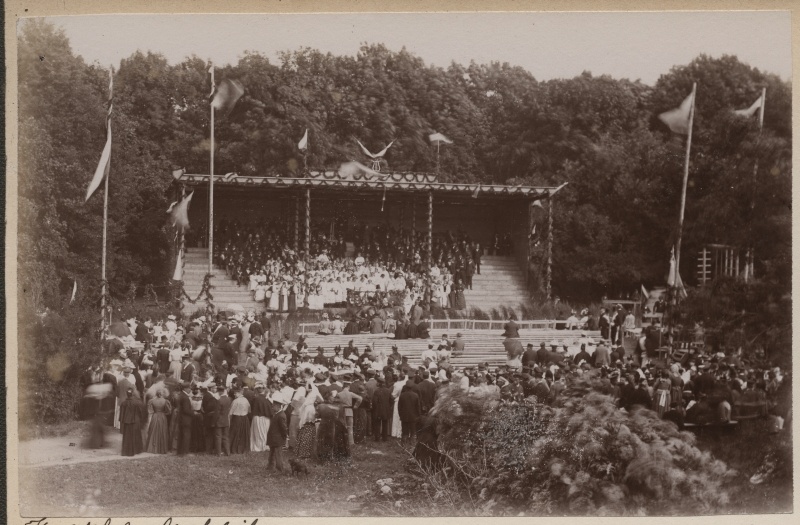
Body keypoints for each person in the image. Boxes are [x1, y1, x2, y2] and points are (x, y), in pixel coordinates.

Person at [317, 390, 350, 462]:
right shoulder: (336, 408)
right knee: (330, 440)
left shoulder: (320, 406)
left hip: (323, 424)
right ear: (330, 399)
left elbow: (317, 415)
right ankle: (329, 456)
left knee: (322, 439)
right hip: (331, 425)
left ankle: (321, 456)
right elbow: (336, 417)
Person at [119, 389, 146, 456]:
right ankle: (137, 450)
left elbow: (121, 415)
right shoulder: (137, 403)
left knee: (127, 436)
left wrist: (122, 421)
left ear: (127, 394)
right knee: (136, 435)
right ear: (132, 394)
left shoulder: (123, 403)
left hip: (126, 421)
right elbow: (141, 413)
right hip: (135, 421)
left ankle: (126, 451)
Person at [336, 380, 363, 446]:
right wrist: (356, 406)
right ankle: (351, 442)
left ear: (343, 386)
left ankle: (342, 441)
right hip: (349, 410)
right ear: (348, 386)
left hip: (341, 411)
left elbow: (335, 402)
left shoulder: (339, 394)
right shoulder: (350, 393)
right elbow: (360, 398)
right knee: (350, 427)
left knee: (342, 426)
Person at [267, 392, 289, 473]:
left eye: (273, 406)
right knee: (272, 453)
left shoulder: (281, 415)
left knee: (278, 454)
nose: (272, 408)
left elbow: (283, 428)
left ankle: (280, 468)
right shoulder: (277, 414)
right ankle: (270, 466)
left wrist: (285, 437)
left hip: (277, 439)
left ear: (278, 406)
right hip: (273, 438)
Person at [250, 384, 273, 452]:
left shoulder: (256, 398)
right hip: (266, 419)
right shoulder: (268, 399)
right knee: (264, 433)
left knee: (258, 433)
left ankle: (259, 447)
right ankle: (263, 446)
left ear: (257, 390)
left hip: (258, 418)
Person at [229, 388, 251, 454]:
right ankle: (243, 449)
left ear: (239, 393)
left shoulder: (235, 401)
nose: (234, 394)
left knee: (235, 433)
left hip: (237, 418)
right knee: (243, 434)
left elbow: (230, 412)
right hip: (245, 418)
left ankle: (234, 448)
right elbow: (249, 410)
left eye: (235, 393)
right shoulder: (246, 400)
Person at [175, 382, 195, 455]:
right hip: (186, 419)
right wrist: (193, 413)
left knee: (181, 435)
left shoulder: (181, 395)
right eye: (189, 388)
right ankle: (185, 452)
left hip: (181, 419)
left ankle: (180, 451)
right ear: (185, 388)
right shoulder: (185, 398)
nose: (190, 389)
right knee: (186, 435)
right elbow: (186, 410)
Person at [200, 384, 219, 454]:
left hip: (208, 417)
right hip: (209, 418)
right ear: (211, 389)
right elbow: (210, 408)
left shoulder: (207, 395)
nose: (216, 389)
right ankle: (208, 450)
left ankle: (209, 450)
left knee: (209, 434)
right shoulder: (210, 397)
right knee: (209, 435)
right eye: (215, 388)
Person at [213, 385, 232, 456]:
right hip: (226, 420)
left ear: (220, 392)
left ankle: (218, 452)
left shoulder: (219, 400)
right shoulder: (229, 399)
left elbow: (217, 413)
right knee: (226, 437)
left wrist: (214, 421)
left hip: (219, 421)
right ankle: (228, 452)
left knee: (218, 437)